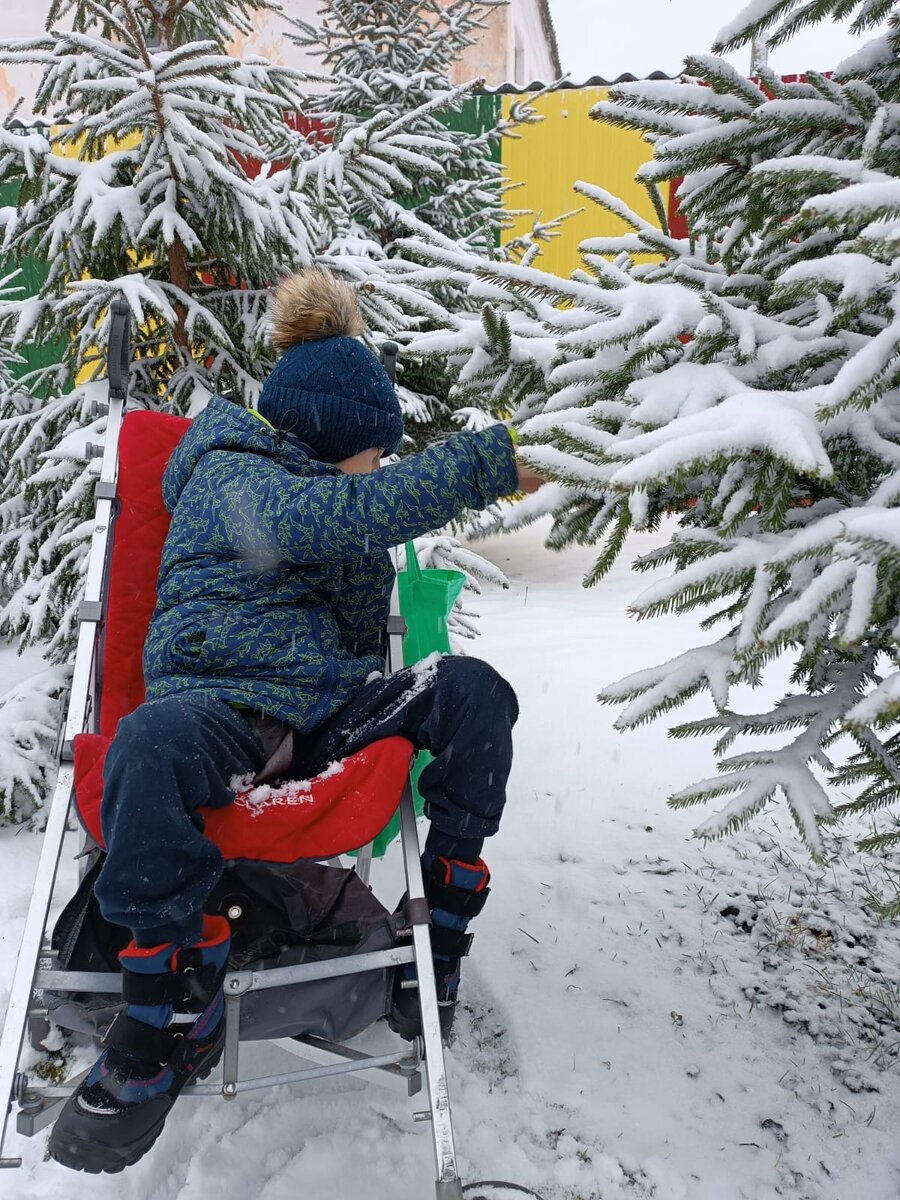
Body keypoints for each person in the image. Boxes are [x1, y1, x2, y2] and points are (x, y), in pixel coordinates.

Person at [48, 269, 543, 1174]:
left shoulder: (327, 511)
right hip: (217, 712)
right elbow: (345, 511)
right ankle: (159, 1007)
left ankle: (440, 923)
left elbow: (356, 624)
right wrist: (486, 462)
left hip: (317, 715)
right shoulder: (234, 474)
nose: (379, 471)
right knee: (142, 746)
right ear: (328, 440)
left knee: (472, 689)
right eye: (373, 454)